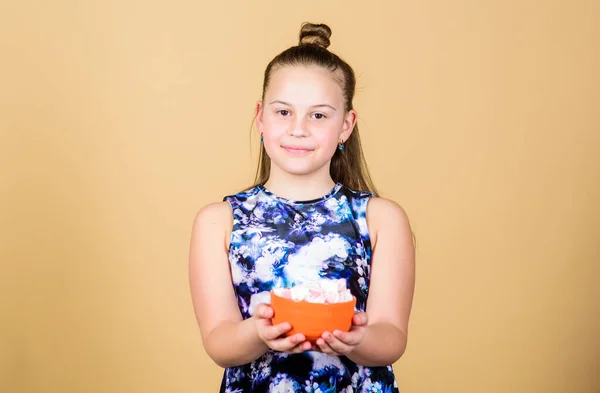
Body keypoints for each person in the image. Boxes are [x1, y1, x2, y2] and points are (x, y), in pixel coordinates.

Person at [189, 22, 415, 393]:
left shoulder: (381, 218)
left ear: (346, 125)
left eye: (319, 115)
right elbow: (218, 340)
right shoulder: (219, 222)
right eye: (283, 112)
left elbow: (392, 336)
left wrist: (357, 340)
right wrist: (259, 332)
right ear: (260, 117)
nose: (298, 129)